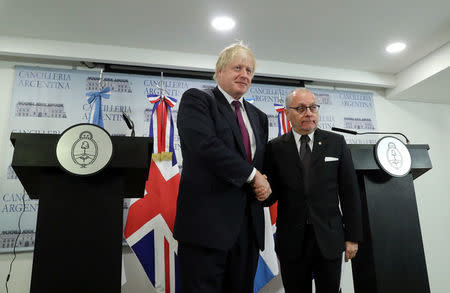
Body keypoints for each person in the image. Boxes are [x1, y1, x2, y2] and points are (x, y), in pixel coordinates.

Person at [173, 42, 271, 292]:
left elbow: (258, 166)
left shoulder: (259, 116)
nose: (244, 75)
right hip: (206, 229)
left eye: (249, 70)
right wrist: (253, 176)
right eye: (237, 67)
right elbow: (206, 147)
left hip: (247, 230)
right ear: (219, 72)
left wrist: (264, 184)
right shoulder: (197, 100)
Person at [263, 88, 363, 293]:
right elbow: (270, 194)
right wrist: (259, 188)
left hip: (329, 238)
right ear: (287, 113)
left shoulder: (336, 142)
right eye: (300, 108)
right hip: (292, 240)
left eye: (312, 107)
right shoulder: (275, 148)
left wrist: (352, 237)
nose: (308, 113)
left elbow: (349, 192)